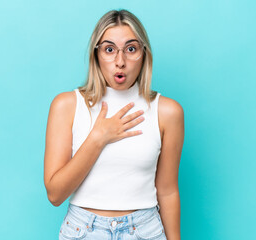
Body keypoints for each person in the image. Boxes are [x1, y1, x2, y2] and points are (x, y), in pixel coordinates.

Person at [44, 9, 184, 240]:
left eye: (131, 49)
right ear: (96, 54)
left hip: (145, 230)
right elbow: (55, 194)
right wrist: (98, 138)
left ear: (144, 54)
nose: (120, 61)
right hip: (82, 231)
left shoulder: (167, 112)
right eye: (109, 49)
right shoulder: (67, 106)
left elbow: (167, 191)